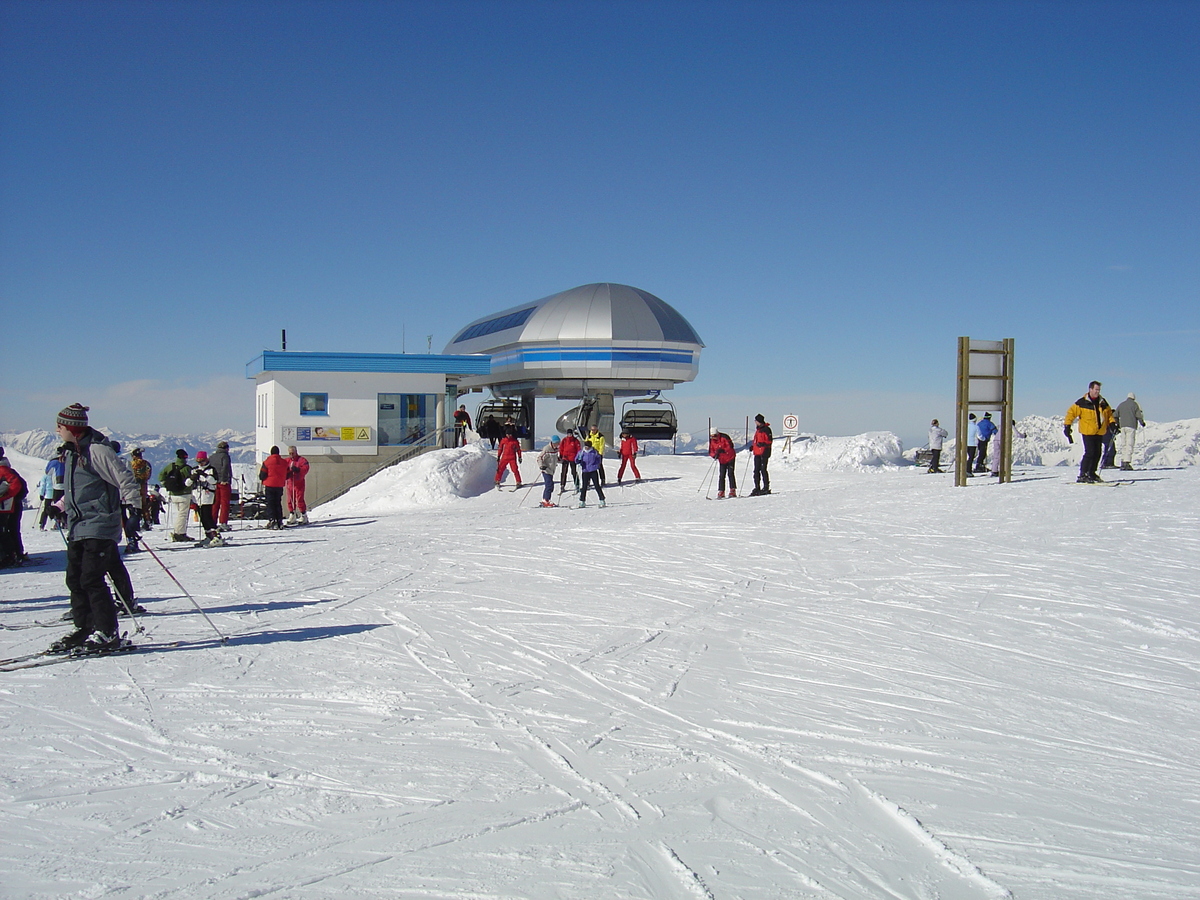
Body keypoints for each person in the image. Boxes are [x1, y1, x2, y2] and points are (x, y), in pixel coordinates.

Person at [49, 403, 141, 654]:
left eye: (60, 426)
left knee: (91, 578)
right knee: (75, 579)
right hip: (79, 525)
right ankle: (85, 627)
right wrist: (58, 506)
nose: (56, 430)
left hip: (100, 523)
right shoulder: (70, 452)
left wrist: (133, 506)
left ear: (72, 428)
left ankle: (107, 631)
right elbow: (75, 489)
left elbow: (123, 477)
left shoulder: (97, 451)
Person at [1064, 380, 1116, 483]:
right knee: (1090, 452)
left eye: (1099, 390)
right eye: (1096, 389)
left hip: (1099, 431)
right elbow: (1071, 413)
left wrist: (1112, 423)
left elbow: (1109, 414)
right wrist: (1067, 425)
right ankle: (1083, 474)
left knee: (1097, 452)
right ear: (1090, 389)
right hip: (1087, 431)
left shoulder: (1102, 402)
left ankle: (1092, 473)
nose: (1097, 392)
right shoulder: (1082, 402)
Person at [158, 449, 195, 541]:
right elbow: (191, 481)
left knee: (178, 514)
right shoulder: (187, 468)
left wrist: (166, 484)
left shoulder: (170, 466)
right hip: (184, 494)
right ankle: (180, 533)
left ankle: (178, 531)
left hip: (172, 494)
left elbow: (160, 476)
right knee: (182, 515)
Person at [0, 451, 28, 567]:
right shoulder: (5, 468)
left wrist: (4, 497)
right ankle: (16, 554)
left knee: (4, 532)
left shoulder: (3, 469)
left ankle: (10, 556)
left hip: (5, 507)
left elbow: (15, 485)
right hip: (10, 506)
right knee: (10, 530)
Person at [191, 451, 224, 547]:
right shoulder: (194, 470)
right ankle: (209, 535)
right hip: (197, 496)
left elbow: (214, 481)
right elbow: (187, 483)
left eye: (202, 461)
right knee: (202, 518)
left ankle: (216, 535)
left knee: (207, 516)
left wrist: (205, 475)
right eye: (198, 461)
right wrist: (192, 478)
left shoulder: (211, 470)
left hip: (208, 496)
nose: (200, 463)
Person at [1115, 393, 1146, 471]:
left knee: (1124, 444)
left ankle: (1122, 461)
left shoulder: (1121, 404)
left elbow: (1115, 415)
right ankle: (1127, 462)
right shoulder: (1135, 405)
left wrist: (1117, 424)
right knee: (1129, 444)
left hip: (1122, 427)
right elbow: (1138, 415)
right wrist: (1142, 422)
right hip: (1131, 426)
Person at [260, 446, 289, 528]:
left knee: (270, 503)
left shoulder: (267, 462)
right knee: (278, 503)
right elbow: (288, 473)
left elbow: (262, 475)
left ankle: (272, 520)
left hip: (269, 485)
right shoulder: (284, 462)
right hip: (279, 485)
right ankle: (279, 520)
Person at [209, 440, 233, 531]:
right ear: (226, 448)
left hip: (214, 482)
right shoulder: (225, 456)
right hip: (223, 483)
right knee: (224, 503)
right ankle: (223, 522)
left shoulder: (212, 457)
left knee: (215, 503)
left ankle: (213, 522)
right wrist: (225, 479)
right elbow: (225, 468)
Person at [708, 428, 737, 498]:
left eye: (714, 435)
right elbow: (711, 451)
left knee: (730, 473)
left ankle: (732, 490)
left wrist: (723, 450)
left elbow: (730, 447)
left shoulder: (724, 437)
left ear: (717, 434)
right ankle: (721, 491)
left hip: (730, 457)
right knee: (721, 475)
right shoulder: (712, 441)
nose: (713, 437)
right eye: (711, 436)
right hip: (722, 459)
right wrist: (714, 455)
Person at [285, 446, 310, 525]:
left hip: (299, 483)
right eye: (290, 453)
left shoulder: (301, 460)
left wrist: (298, 470)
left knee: (299, 499)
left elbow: (306, 468)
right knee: (290, 500)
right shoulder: (287, 461)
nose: (291, 455)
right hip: (290, 483)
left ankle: (303, 515)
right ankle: (292, 514)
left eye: (293, 453)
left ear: (296, 452)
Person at [129, 447, 153, 529]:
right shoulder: (146, 464)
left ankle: (134, 523)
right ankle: (147, 522)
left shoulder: (130, 464)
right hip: (143, 485)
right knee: (144, 505)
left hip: (133, 486)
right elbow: (149, 475)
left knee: (134, 505)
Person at [577, 439, 606, 508]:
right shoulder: (581, 452)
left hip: (593, 470)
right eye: (586, 446)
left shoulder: (594, 452)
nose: (587, 448)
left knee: (596, 485)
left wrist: (596, 465)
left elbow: (598, 459)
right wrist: (578, 460)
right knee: (584, 486)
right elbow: (577, 459)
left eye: (588, 447)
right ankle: (582, 501)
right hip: (585, 471)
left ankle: (602, 500)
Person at [750, 414, 773, 496]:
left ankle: (766, 487)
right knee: (756, 470)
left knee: (763, 470)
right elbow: (757, 440)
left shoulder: (766, 429)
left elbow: (769, 441)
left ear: (759, 421)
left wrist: (762, 444)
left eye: (756, 421)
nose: (755, 422)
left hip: (764, 452)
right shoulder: (758, 430)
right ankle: (757, 487)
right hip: (757, 452)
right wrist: (753, 446)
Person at [536, 436, 560, 507]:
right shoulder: (547, 449)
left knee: (551, 485)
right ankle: (546, 500)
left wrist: (561, 460)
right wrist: (541, 466)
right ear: (553, 442)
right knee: (549, 485)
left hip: (551, 470)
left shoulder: (556, 449)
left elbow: (554, 459)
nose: (558, 444)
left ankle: (546, 499)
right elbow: (539, 458)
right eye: (557, 443)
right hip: (546, 470)